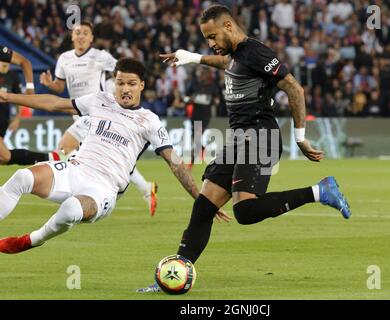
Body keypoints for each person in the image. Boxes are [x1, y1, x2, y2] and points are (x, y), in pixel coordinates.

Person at [139, 5, 351, 293]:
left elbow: (294, 88)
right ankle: (173, 275)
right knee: (203, 208)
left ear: (228, 26)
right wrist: (193, 58)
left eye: (212, 36)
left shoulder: (256, 52)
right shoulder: (238, 56)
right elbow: (228, 65)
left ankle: (320, 191)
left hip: (260, 136)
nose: (211, 43)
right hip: (239, 138)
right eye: (206, 39)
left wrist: (300, 138)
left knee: (246, 212)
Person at [0, 58, 231, 254]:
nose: (125, 89)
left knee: (71, 209)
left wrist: (203, 201)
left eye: (131, 83)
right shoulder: (100, 100)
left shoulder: (149, 120)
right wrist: (9, 97)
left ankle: (33, 239)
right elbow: (55, 104)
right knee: (22, 177)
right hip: (76, 169)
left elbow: (175, 163)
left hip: (103, 189)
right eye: (120, 83)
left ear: (142, 85)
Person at [39, 22, 158, 215]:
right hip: (78, 112)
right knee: (101, 155)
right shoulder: (64, 59)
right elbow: (60, 88)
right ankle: (145, 188)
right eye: (77, 33)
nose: (81, 36)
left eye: (85, 33)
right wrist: (49, 85)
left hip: (96, 114)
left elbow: (122, 71)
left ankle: (68, 187)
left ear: (92, 38)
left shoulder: (100, 57)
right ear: (72, 36)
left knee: (64, 147)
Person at [0, 46, 60, 165]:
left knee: (4, 156)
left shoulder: (12, 75)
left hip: (2, 115)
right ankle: (49, 158)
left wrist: (30, 88)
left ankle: (49, 158)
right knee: (3, 156)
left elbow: (24, 62)